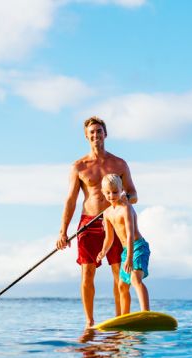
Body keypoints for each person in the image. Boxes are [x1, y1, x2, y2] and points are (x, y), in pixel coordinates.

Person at [56, 116, 137, 328]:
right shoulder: (79, 166)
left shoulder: (119, 164)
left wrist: (122, 199)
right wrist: (63, 232)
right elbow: (71, 200)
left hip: (114, 221)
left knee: (119, 272)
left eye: (99, 131)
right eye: (91, 132)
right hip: (88, 224)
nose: (95, 135)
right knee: (87, 273)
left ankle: (120, 319)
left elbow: (133, 193)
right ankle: (90, 322)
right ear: (86, 136)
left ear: (105, 134)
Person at [96, 174, 150, 315]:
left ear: (121, 191)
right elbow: (109, 238)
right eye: (108, 192)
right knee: (121, 285)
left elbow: (130, 234)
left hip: (137, 247)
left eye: (115, 192)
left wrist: (130, 258)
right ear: (103, 192)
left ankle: (146, 313)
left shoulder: (126, 208)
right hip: (126, 250)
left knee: (134, 278)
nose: (111, 195)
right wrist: (103, 251)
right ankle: (124, 317)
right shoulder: (107, 213)